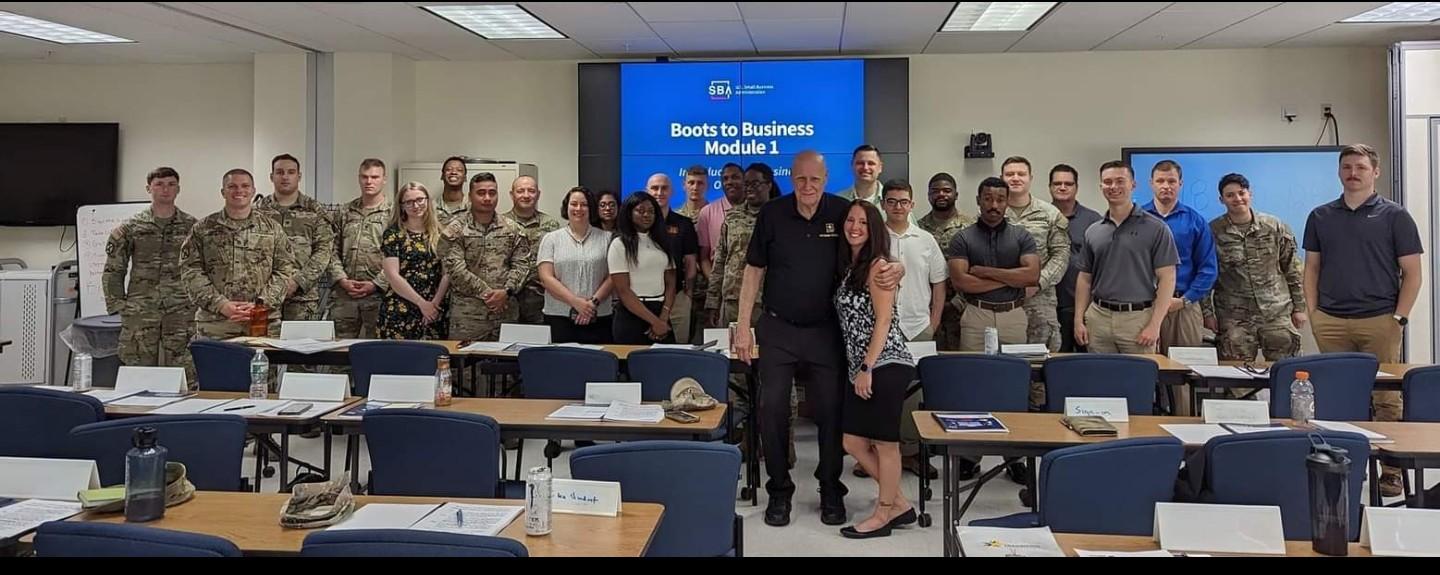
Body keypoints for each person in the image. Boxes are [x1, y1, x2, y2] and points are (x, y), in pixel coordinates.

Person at [733, 150, 904, 528]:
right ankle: (779, 491)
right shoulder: (772, 213)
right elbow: (753, 270)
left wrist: (898, 267)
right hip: (777, 328)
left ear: (825, 180)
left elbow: (871, 247)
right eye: (800, 180)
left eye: (815, 180)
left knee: (830, 412)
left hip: (827, 330)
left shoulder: (842, 211)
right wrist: (743, 325)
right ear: (791, 178)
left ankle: (830, 489)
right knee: (772, 408)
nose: (807, 187)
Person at [1302, 143, 1422, 498]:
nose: (1353, 173)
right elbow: (1311, 268)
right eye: (1347, 167)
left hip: (1379, 321)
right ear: (1339, 172)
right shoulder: (1320, 216)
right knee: (1336, 396)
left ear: (1375, 172)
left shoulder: (1395, 216)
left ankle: (1391, 470)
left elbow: (1412, 272)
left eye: (1361, 167)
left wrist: (1398, 318)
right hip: (1331, 322)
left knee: (1386, 400)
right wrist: (1314, 314)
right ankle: (1339, 463)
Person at [705, 162, 797, 467]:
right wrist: (712, 301)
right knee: (739, 379)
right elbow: (721, 261)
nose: (751, 189)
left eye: (757, 183)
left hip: (773, 308)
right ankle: (745, 438)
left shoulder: (784, 215)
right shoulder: (733, 217)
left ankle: (784, 443)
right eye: (747, 184)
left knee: (779, 379)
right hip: (734, 306)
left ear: (770, 183)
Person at [835, 199, 918, 539]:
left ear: (874, 231)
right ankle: (898, 502)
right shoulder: (850, 265)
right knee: (853, 442)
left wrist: (867, 366)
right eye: (851, 220)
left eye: (863, 223)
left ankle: (883, 514)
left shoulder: (878, 266)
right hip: (861, 367)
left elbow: (884, 321)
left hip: (885, 363)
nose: (855, 227)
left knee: (885, 444)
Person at [1074, 161, 1179, 354]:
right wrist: (1078, 320)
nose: (1113, 187)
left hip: (1138, 320)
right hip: (1098, 318)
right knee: (1100, 380)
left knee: (1137, 381)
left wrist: (1155, 325)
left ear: (1133, 184)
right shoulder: (1093, 231)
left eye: (1120, 181)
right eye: (1108, 182)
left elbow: (1168, 278)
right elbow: (1084, 279)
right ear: (1101, 187)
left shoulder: (1156, 228)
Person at [181, 169, 297, 341]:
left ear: (253, 191)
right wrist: (221, 305)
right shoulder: (203, 229)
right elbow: (190, 271)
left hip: (261, 321)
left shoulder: (272, 229)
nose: (239, 191)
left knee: (260, 368)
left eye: (245, 186)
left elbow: (284, 270)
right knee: (215, 368)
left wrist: (260, 304)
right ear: (223, 192)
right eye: (232, 186)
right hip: (217, 322)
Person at [103, 166, 197, 375]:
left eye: (171, 184)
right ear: (149, 188)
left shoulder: (192, 227)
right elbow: (113, 269)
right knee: (137, 370)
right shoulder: (131, 227)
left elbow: (201, 269)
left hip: (181, 309)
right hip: (141, 309)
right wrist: (119, 305)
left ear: (178, 189)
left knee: (187, 370)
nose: (166, 189)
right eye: (159, 184)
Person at [1203, 173, 1305, 364]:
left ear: (1250, 194)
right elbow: (1206, 275)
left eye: (1241, 193)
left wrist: (1299, 308)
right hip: (1234, 317)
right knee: (1235, 380)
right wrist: (1207, 314)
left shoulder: (1274, 226)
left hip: (1275, 312)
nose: (1237, 199)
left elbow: (1291, 269)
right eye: (1230, 195)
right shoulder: (1213, 231)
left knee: (1285, 372)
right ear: (1221, 200)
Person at [949, 177, 1041, 351]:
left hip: (1013, 315)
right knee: (972, 370)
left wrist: (985, 271)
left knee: (1014, 372)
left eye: (1000, 200)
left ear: (1007, 202)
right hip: (976, 314)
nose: (994, 205)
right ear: (978, 200)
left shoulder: (1022, 236)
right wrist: (1011, 279)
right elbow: (961, 282)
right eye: (988, 199)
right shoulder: (962, 238)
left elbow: (1032, 277)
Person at [442, 172, 532, 342]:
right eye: (481, 193)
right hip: (468, 317)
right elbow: (455, 269)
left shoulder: (513, 229)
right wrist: (488, 294)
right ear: (470, 196)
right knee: (465, 367)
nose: (487, 198)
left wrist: (506, 291)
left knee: (505, 366)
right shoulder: (455, 229)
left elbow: (522, 265)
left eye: (492, 192)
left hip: (505, 313)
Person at [1142, 160, 1217, 363]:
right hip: (1144, 307)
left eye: (1171, 181)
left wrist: (1185, 300)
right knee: (1145, 369)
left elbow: (1208, 269)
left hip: (1182, 306)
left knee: (1184, 373)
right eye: (1160, 181)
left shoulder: (1195, 221)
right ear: (1151, 183)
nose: (1166, 186)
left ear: (1180, 184)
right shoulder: (1137, 219)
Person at [254, 154, 335, 324]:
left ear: (299, 176)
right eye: (280, 172)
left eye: (290, 172)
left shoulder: (314, 210)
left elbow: (324, 251)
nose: (285, 177)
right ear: (271, 176)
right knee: (262, 346)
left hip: (302, 298)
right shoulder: (258, 211)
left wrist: (298, 281)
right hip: (263, 295)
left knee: (301, 348)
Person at [1001, 156, 1069, 353]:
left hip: (1040, 300)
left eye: (1021, 174)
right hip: (1002, 299)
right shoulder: (992, 213)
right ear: (1001, 177)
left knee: (1040, 365)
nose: (1015, 178)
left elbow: (1061, 255)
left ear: (1030, 178)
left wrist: (1038, 282)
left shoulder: (1050, 213)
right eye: (1009, 174)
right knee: (1004, 363)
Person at [538, 187, 614, 344]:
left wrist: (592, 304)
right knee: (562, 366)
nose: (578, 209)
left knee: (598, 366)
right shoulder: (551, 239)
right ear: (566, 207)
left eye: (584, 204)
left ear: (591, 208)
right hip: (559, 317)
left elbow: (614, 276)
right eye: (574, 204)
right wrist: (576, 302)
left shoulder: (607, 239)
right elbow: (546, 277)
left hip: (598, 316)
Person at [328, 158, 393, 340]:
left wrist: (376, 284)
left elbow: (399, 255)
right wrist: (341, 279)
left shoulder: (394, 213)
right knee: (339, 352)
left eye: (374, 177)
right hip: (345, 294)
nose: (369, 182)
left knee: (377, 353)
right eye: (365, 177)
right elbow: (331, 250)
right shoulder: (344, 212)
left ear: (384, 179)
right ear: (359, 178)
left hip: (380, 294)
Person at [378, 182, 449, 340]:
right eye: (409, 202)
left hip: (434, 309)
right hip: (401, 308)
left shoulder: (441, 234)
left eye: (420, 200)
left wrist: (433, 305)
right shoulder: (393, 234)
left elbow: (447, 273)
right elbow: (392, 276)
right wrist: (421, 303)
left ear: (427, 201)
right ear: (401, 205)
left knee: (433, 361)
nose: (415, 205)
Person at [1048, 164, 1103, 353]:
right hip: (1048, 303)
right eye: (1057, 183)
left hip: (1083, 304)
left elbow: (1101, 262)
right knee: (1053, 362)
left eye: (1068, 184)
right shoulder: (1040, 217)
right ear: (1050, 187)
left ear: (1076, 187)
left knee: (1085, 362)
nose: (1062, 187)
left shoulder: (1093, 220)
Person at [608, 192, 675, 345]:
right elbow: (623, 291)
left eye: (651, 211)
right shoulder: (619, 244)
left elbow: (671, 282)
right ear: (629, 213)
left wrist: (663, 318)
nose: (647, 215)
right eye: (641, 210)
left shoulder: (662, 242)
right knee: (630, 366)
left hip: (661, 310)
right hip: (631, 314)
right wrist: (655, 322)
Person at [917, 172, 975, 351]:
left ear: (956, 195)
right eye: (935, 191)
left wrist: (958, 303)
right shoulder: (918, 228)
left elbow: (977, 267)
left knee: (961, 364)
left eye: (947, 190)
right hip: (927, 308)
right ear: (928, 196)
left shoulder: (971, 226)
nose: (941, 194)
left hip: (963, 307)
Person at [645, 173, 700, 343]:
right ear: (647, 191)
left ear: (672, 191)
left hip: (678, 297)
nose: (659, 192)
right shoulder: (638, 224)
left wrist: (688, 294)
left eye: (664, 188)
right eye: (655, 188)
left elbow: (691, 261)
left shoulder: (684, 223)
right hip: (645, 298)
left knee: (680, 349)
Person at [501, 175, 562, 325]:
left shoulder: (551, 225)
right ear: (511, 194)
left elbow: (559, 260)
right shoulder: (500, 224)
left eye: (531, 191)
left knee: (540, 346)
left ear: (538, 194)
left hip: (540, 300)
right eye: (521, 191)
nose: (526, 195)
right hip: (507, 300)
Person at [697, 163, 745, 330]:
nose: (730, 182)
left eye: (735, 177)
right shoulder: (707, 212)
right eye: (725, 179)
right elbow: (704, 257)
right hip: (722, 294)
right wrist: (717, 286)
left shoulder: (759, 210)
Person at [436, 156, 470, 222]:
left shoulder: (473, 207)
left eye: (459, 170)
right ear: (442, 176)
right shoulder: (430, 207)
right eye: (449, 169)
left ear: (465, 177)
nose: (453, 172)